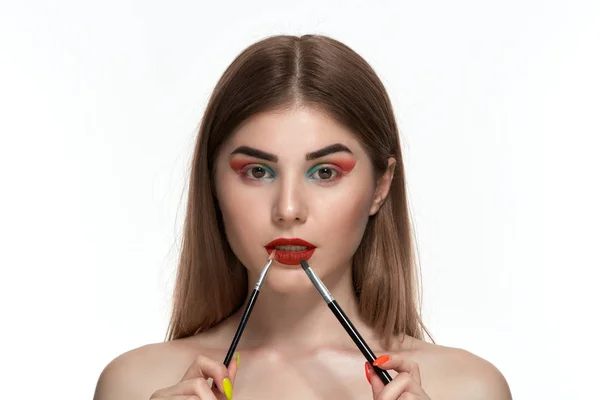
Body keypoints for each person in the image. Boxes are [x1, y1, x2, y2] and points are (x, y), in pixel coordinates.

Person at [93, 34, 512, 400]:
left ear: (380, 187)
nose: (288, 209)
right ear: (213, 185)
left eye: (325, 172)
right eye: (258, 172)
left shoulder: (468, 389)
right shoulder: (135, 386)